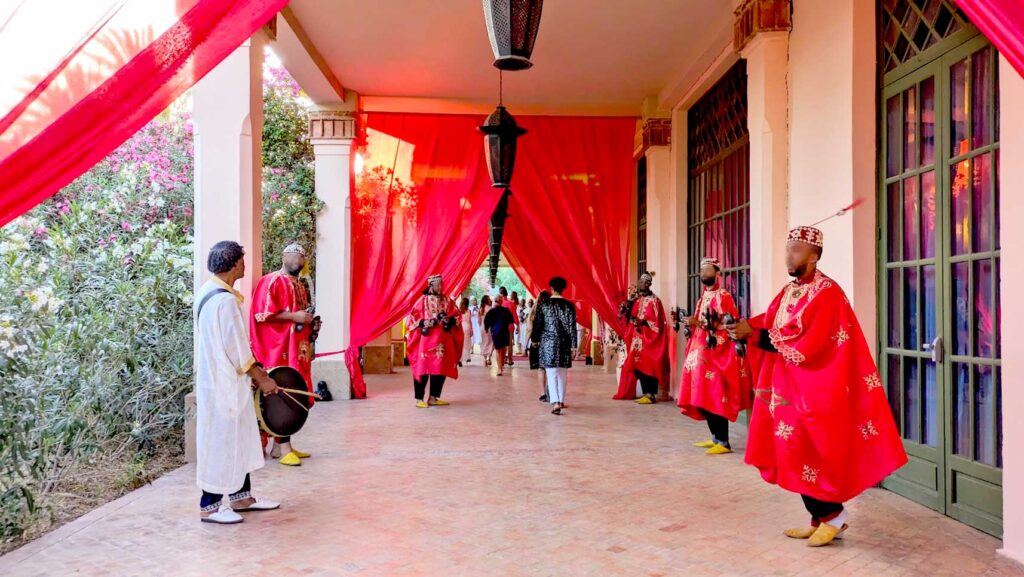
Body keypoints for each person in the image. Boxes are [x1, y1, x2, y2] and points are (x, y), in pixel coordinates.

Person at [725, 227, 907, 547]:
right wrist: (743, 328)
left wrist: (752, 335)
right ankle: (818, 517)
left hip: (817, 386)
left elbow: (812, 343)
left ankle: (833, 516)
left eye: (796, 250)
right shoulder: (788, 291)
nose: (788, 255)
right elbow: (769, 322)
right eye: (787, 249)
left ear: (813, 255)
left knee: (805, 449)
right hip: (787, 387)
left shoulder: (827, 293)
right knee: (792, 451)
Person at [195, 241, 280, 524]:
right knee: (221, 442)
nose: (245, 265)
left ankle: (241, 497)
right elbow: (239, 352)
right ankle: (210, 506)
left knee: (238, 439)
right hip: (225, 384)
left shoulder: (208, 291)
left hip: (220, 381)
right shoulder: (225, 300)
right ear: (234, 265)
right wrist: (264, 380)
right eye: (243, 261)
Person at [249, 243, 318, 467]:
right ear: (284, 256)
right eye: (295, 256)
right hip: (277, 348)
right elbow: (263, 314)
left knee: (295, 391)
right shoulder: (272, 281)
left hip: (297, 349)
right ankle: (283, 445)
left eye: (302, 257)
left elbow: (300, 315)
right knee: (283, 391)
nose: (299, 260)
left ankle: (281, 445)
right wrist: (296, 318)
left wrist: (310, 325)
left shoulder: (299, 284)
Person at [677, 257, 752, 455]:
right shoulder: (703, 297)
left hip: (717, 354)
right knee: (701, 394)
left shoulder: (724, 296)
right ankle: (715, 437)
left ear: (717, 272)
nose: (703, 273)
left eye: (707, 269)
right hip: (700, 353)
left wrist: (699, 322)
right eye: (701, 269)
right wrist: (691, 324)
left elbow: (728, 323)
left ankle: (724, 441)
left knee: (716, 395)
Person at [406, 274, 463, 408]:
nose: (440, 287)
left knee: (440, 369)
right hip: (426, 341)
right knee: (423, 368)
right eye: (438, 285)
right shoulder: (422, 301)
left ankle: (433, 397)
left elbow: (458, 316)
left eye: (441, 284)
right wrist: (424, 322)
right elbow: (412, 320)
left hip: (443, 340)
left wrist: (449, 320)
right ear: (431, 286)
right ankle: (419, 398)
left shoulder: (447, 300)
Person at [613, 271, 671, 404]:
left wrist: (643, 322)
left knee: (649, 366)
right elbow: (630, 317)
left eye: (643, 282)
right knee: (637, 366)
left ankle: (651, 394)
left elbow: (658, 323)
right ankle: (646, 393)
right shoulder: (637, 300)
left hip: (649, 340)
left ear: (649, 284)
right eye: (639, 281)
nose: (640, 284)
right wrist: (625, 310)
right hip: (637, 340)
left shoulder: (655, 301)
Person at [530, 277, 577, 415]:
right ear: (564, 288)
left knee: (551, 373)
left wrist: (535, 339)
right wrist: (574, 346)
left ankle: (555, 402)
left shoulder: (544, 305)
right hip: (564, 343)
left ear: (551, 288)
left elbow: (538, 324)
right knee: (562, 372)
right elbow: (572, 327)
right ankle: (561, 400)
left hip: (548, 343)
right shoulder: (569, 306)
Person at [484, 295, 515, 376]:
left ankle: (499, 368)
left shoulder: (492, 311)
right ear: (501, 302)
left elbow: (486, 321)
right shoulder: (506, 310)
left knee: (498, 350)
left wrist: (486, 328)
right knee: (503, 348)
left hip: (496, 332)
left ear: (495, 301)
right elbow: (511, 320)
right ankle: (501, 366)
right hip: (505, 332)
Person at [528, 292, 551, 401]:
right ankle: (550, 391)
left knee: (541, 369)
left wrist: (527, 342)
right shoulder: (551, 312)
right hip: (549, 343)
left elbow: (529, 329)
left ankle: (543, 393)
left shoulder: (534, 312)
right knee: (550, 369)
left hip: (536, 343)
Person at [498, 287, 519, 365]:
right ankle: (510, 359)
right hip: (510, 326)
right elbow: (514, 316)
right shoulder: (511, 303)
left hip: (501, 326)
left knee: (502, 343)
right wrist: (518, 325)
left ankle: (503, 359)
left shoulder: (499, 304)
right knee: (510, 343)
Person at [479, 295, 495, 367]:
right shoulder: (490, 309)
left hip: (482, 327)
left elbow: (478, 320)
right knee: (491, 342)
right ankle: (489, 357)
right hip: (489, 327)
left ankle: (485, 359)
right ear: (486, 300)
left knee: (484, 342)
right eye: (488, 299)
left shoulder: (481, 309)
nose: (490, 300)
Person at [459, 296, 474, 365]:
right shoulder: (469, 311)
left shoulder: (459, 310)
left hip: (461, 327)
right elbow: (469, 321)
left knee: (461, 343)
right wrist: (471, 329)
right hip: (467, 327)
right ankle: (467, 357)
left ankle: (460, 359)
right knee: (467, 343)